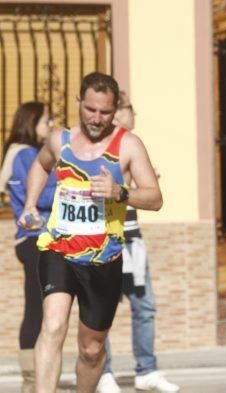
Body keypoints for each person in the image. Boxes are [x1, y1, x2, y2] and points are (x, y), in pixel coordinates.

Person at [18, 72, 163, 393]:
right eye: (91, 110)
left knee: (92, 349)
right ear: (79, 103)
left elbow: (155, 198)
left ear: (115, 110)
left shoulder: (128, 145)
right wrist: (29, 205)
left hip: (103, 259)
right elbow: (41, 166)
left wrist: (119, 191)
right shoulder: (60, 140)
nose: (97, 119)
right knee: (53, 326)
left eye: (105, 112)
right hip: (58, 248)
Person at [96, 92, 179, 392]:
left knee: (144, 307)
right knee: (101, 309)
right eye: (120, 109)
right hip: (105, 241)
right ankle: (103, 372)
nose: (124, 115)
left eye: (126, 108)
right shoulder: (103, 148)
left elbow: (150, 196)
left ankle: (147, 370)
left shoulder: (134, 146)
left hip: (133, 240)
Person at [0, 102, 56, 392]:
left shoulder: (31, 154)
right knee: (36, 309)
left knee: (46, 311)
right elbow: (42, 195)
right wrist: (68, 182)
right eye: (47, 121)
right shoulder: (23, 155)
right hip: (33, 240)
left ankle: (39, 380)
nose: (51, 127)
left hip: (42, 240)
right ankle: (31, 382)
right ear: (31, 122)